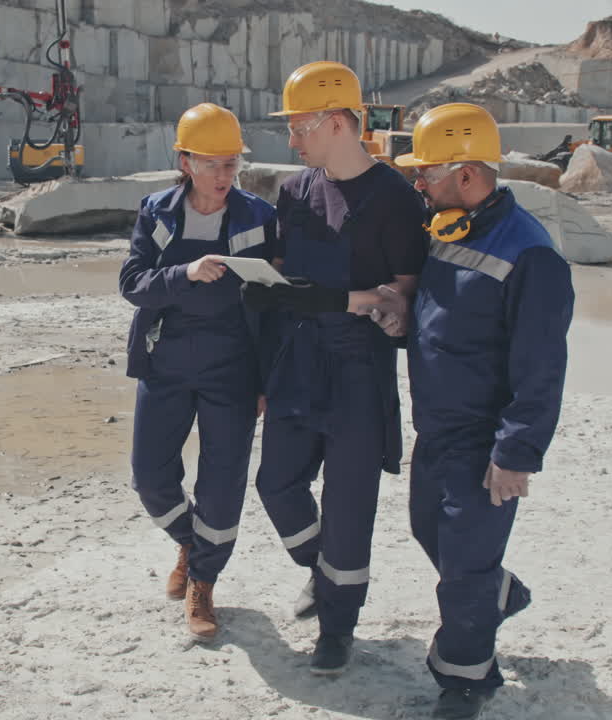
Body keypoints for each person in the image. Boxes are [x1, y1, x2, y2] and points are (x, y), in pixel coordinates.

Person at [390, 103, 575, 719]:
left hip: (484, 438)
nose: (419, 183)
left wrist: (516, 452)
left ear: (467, 174)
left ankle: (464, 683)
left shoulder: (531, 254)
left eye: (428, 173)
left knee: (463, 570)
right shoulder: (449, 228)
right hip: (437, 428)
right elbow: (444, 319)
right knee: (429, 532)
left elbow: (541, 364)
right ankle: (500, 592)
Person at [242, 60, 427, 675]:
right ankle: (324, 576)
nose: (291, 138)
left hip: (356, 366)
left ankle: (338, 628)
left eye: (300, 125)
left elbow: (402, 295)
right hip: (297, 358)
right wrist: (265, 374)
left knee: (349, 506)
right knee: (276, 484)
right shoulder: (295, 191)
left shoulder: (397, 198)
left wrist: (382, 308)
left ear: (340, 123)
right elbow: (279, 283)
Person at [119, 102, 277, 641]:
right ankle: (191, 542)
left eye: (232, 164)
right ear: (185, 161)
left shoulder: (259, 216)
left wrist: (265, 380)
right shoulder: (157, 212)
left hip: (232, 366)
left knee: (222, 480)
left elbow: (274, 305)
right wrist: (184, 273)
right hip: (165, 362)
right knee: (150, 476)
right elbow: (132, 283)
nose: (224, 176)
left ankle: (203, 582)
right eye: (212, 163)